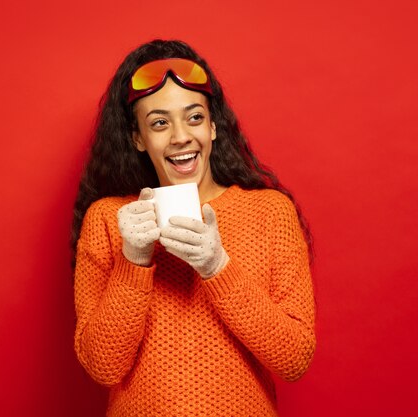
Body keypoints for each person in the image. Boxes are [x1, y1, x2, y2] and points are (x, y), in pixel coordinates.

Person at [71, 39, 316, 417]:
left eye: (194, 117)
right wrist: (133, 259)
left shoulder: (271, 212)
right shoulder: (107, 220)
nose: (181, 136)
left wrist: (218, 267)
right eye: (159, 123)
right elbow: (103, 367)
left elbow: (294, 359)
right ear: (138, 138)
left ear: (214, 127)